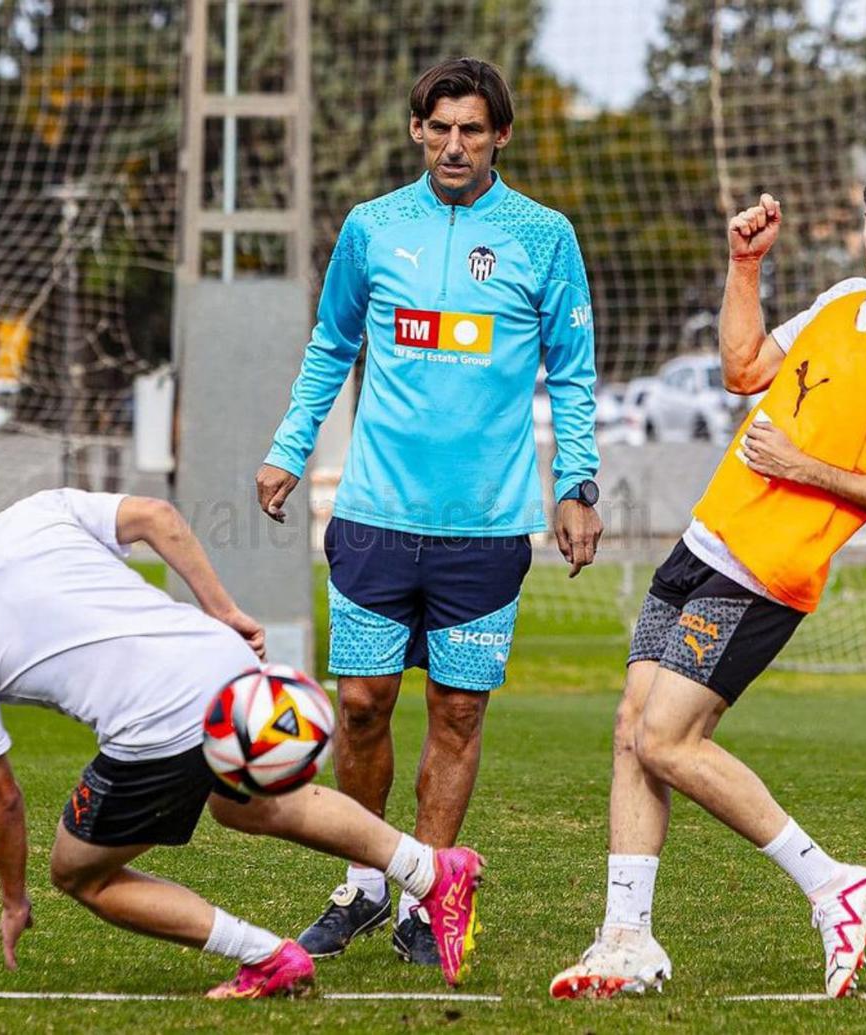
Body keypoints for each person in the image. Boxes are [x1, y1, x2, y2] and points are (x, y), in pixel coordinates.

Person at [549, 156, 866, 1000]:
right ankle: (625, 939)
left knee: (667, 739)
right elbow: (744, 368)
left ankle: (829, 883)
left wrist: (805, 466)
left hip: (763, 572)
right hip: (704, 542)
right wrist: (747, 266)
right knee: (633, 728)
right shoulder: (846, 298)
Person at [0, 473, 485, 996]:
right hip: (222, 663)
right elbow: (157, 517)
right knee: (243, 801)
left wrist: (13, 897)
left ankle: (268, 958)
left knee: (79, 873)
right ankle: (431, 867)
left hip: (158, 727)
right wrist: (222, 610)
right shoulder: (35, 511)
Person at [255, 57, 602, 965]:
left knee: (456, 715)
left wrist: (576, 484)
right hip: (374, 514)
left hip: (486, 527)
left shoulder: (543, 235)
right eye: (440, 127)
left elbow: (571, 371)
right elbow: (332, 344)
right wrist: (291, 446)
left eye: (473, 130)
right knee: (362, 704)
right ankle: (365, 883)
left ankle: (424, 899)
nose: (455, 144)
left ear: (501, 137)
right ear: (418, 131)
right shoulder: (373, 229)